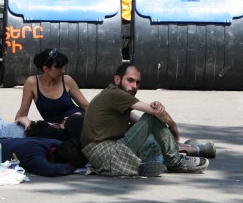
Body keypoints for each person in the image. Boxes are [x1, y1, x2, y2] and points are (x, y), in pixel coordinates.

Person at [80, 62, 215, 177]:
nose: (134, 86)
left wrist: (160, 132)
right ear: (117, 80)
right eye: (130, 80)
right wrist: (173, 126)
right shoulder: (116, 94)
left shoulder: (112, 96)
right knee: (152, 118)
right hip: (109, 155)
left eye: (137, 82)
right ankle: (175, 161)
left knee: (150, 135)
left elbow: (140, 124)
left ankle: (153, 160)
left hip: (105, 159)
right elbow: (154, 114)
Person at [14, 48, 89, 142]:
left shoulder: (66, 80)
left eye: (64, 67)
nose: (63, 71)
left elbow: (87, 107)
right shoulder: (32, 83)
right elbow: (21, 116)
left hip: (77, 123)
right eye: (59, 68)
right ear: (45, 69)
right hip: (55, 130)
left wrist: (77, 116)